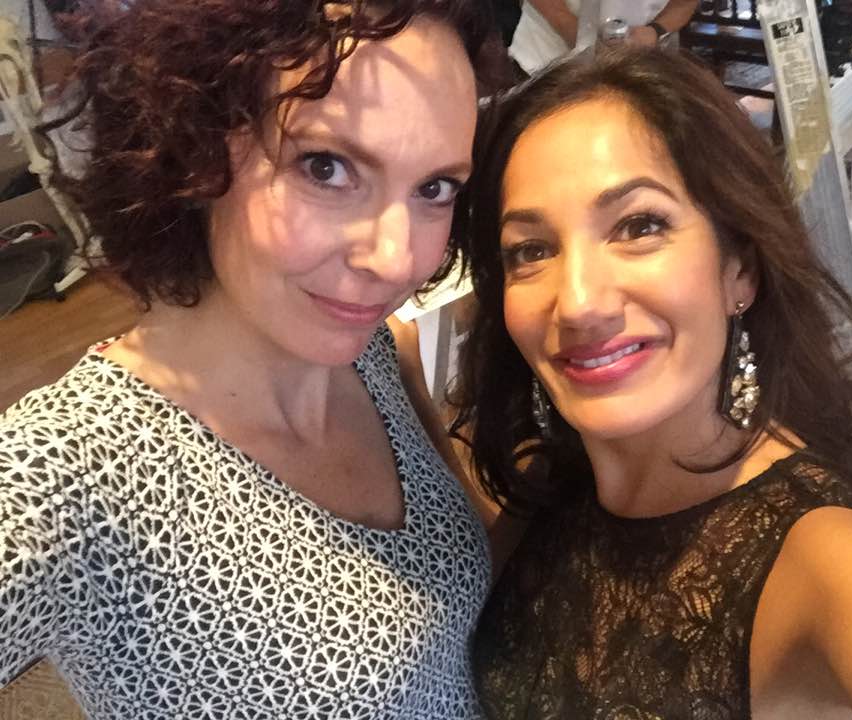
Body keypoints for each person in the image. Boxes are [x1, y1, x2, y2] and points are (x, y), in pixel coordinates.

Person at [0, 1, 497, 717]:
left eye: (434, 188)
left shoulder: (366, 355)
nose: (396, 259)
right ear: (195, 145)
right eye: (326, 167)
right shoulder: (63, 474)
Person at [452, 48, 852, 719]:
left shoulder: (839, 565)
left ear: (739, 271)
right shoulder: (545, 486)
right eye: (532, 250)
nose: (577, 303)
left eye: (640, 226)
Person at [509, 0, 698, 77]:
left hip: (640, 68)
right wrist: (570, 28)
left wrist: (656, 30)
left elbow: (685, 3)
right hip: (544, 59)